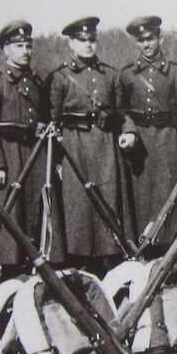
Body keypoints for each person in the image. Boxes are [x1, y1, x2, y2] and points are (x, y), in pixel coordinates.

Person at [47, 16, 130, 269]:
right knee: (78, 203)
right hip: (74, 145)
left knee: (107, 197)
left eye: (92, 39)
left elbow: (121, 110)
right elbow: (53, 117)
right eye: (82, 40)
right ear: (71, 43)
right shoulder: (60, 77)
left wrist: (126, 130)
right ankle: (79, 258)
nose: (88, 45)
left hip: (105, 143)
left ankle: (110, 257)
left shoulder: (110, 74)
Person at [117, 15, 177, 254]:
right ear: (136, 42)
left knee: (169, 196)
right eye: (141, 40)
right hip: (140, 145)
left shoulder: (175, 72)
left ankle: (170, 250)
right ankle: (143, 249)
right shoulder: (127, 75)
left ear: (159, 38)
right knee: (141, 196)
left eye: (151, 38)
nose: (147, 44)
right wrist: (129, 132)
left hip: (167, 140)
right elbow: (121, 111)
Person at [0, 21, 48, 274]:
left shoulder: (34, 82)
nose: (25, 51)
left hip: (31, 155)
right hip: (6, 155)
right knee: (5, 213)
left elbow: (41, 119)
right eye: (18, 46)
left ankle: (26, 265)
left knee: (29, 211)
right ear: (6, 49)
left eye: (28, 46)